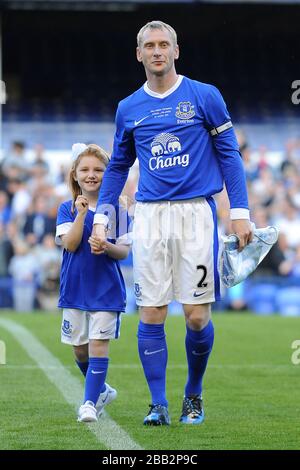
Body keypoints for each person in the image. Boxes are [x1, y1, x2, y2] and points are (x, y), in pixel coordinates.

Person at [92, 21, 252, 426]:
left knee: (197, 316)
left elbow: (230, 155)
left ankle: (193, 395)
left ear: (176, 51)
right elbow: (117, 166)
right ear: (139, 53)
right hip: (150, 217)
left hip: (196, 213)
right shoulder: (128, 107)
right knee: (151, 312)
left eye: (164, 44)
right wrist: (102, 217)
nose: (157, 51)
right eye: (150, 45)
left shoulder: (204, 95)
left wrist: (240, 212)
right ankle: (158, 404)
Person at [56, 143, 131, 422]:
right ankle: (101, 390)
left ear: (108, 175)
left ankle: (88, 403)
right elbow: (72, 245)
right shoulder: (66, 208)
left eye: (99, 170)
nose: (92, 175)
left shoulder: (118, 211)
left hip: (107, 289)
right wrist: (82, 214)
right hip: (75, 288)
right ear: (75, 174)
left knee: (99, 342)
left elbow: (123, 251)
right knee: (79, 347)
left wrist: (106, 247)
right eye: (85, 169)